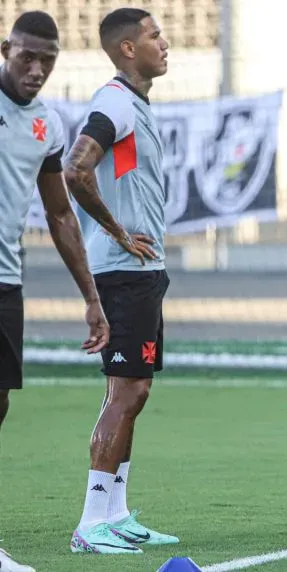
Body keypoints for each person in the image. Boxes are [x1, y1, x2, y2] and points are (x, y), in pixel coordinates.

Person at [61, 7, 177, 555]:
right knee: (125, 392)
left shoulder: (133, 104)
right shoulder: (112, 102)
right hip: (124, 271)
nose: (165, 42)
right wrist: (117, 231)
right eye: (155, 35)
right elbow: (76, 168)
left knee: (135, 390)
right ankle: (90, 524)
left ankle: (117, 513)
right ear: (128, 48)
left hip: (142, 272)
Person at [0, 11, 111, 571]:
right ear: (5, 49)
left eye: (48, 60)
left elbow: (61, 215)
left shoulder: (46, 124)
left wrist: (91, 297)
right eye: (27, 57)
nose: (37, 69)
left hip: (5, 282)